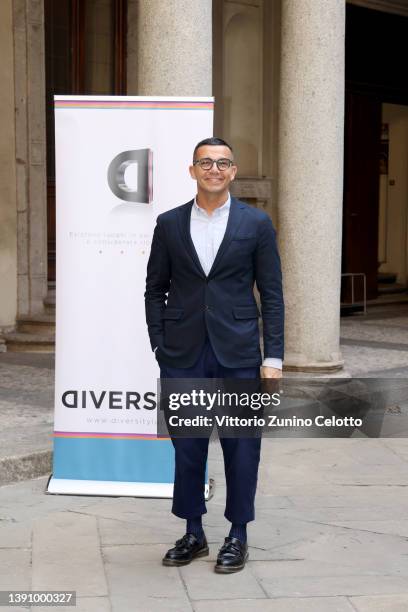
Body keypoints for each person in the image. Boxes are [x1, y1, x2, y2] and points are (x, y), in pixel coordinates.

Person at [145, 137, 284, 573]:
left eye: (222, 163)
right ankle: (193, 532)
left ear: (233, 171)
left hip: (239, 351)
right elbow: (154, 289)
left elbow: (273, 295)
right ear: (192, 171)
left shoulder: (256, 223)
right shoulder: (168, 224)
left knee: (242, 447)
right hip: (183, 353)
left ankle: (238, 534)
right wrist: (158, 342)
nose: (214, 169)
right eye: (206, 162)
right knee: (187, 447)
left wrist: (273, 357)